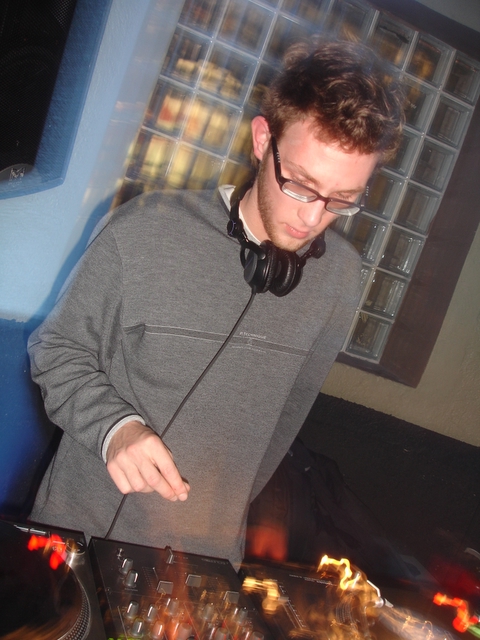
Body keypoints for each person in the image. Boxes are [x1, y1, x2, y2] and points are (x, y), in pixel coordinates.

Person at [27, 37, 404, 569]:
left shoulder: (339, 277)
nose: (312, 217)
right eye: (300, 184)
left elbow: (285, 419)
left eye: (342, 200)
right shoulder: (147, 229)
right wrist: (115, 429)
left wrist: (221, 518)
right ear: (262, 139)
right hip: (76, 542)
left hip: (207, 564)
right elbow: (55, 349)